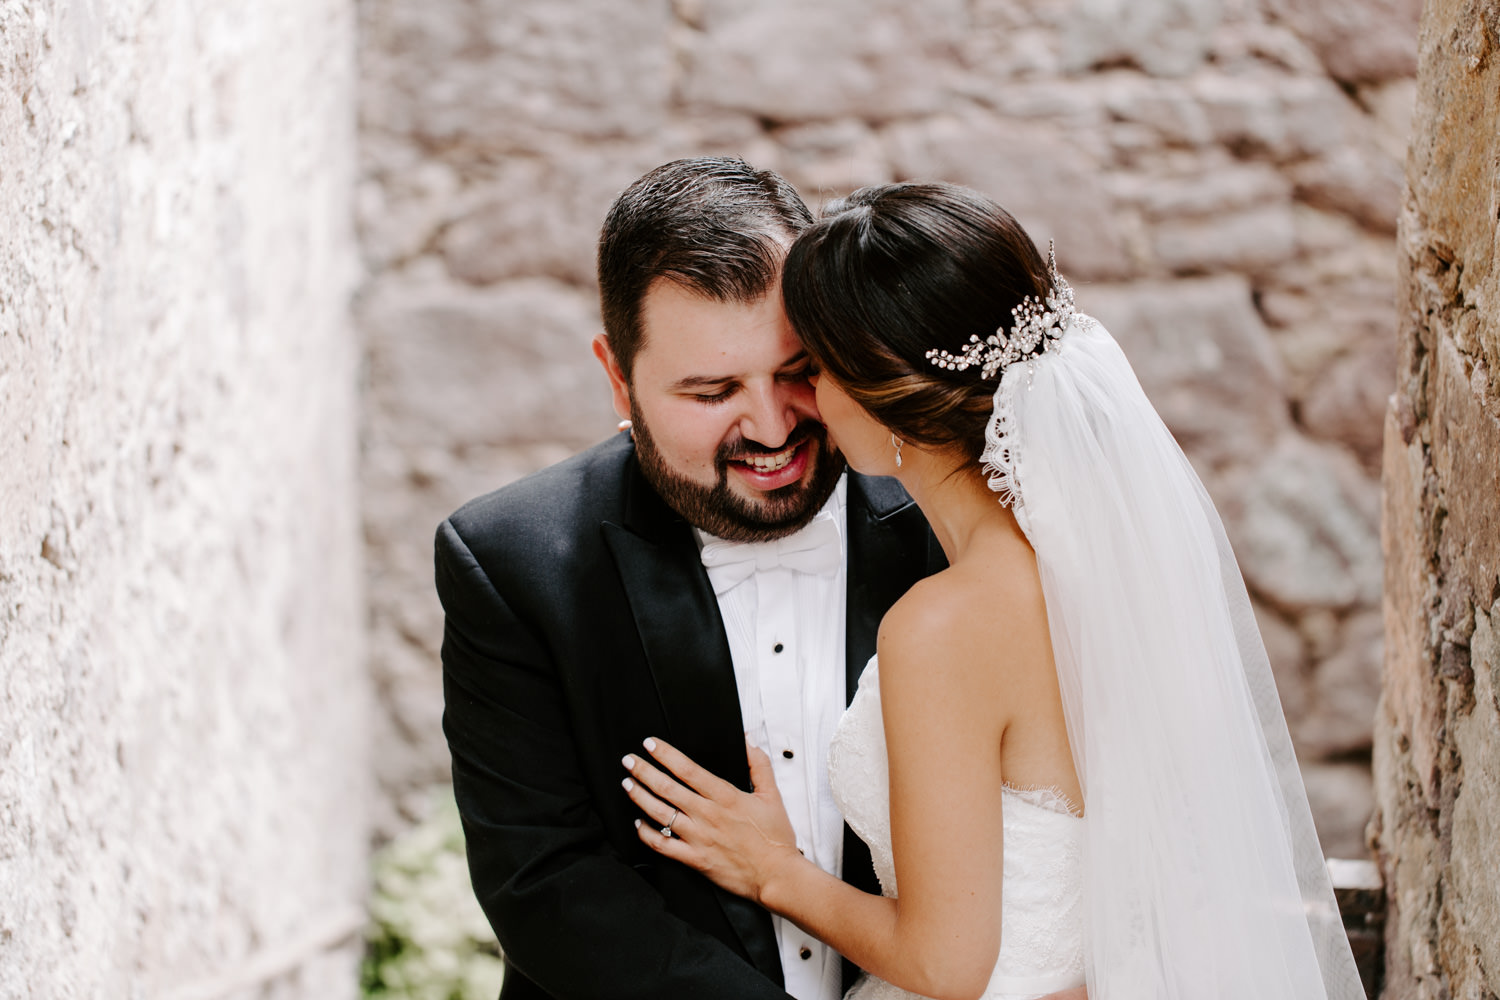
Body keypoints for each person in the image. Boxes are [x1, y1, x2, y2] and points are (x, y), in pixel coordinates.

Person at [619, 183, 1367, 1000]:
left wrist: (775, 871)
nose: (796, 407)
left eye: (812, 369)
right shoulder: (1096, 568)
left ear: (887, 396)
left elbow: (946, 964)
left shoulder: (944, 626)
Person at [434, 157, 950, 1000]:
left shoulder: (948, 519)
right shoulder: (511, 560)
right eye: (713, 392)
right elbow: (547, 885)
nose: (774, 426)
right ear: (618, 378)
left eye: (796, 370)